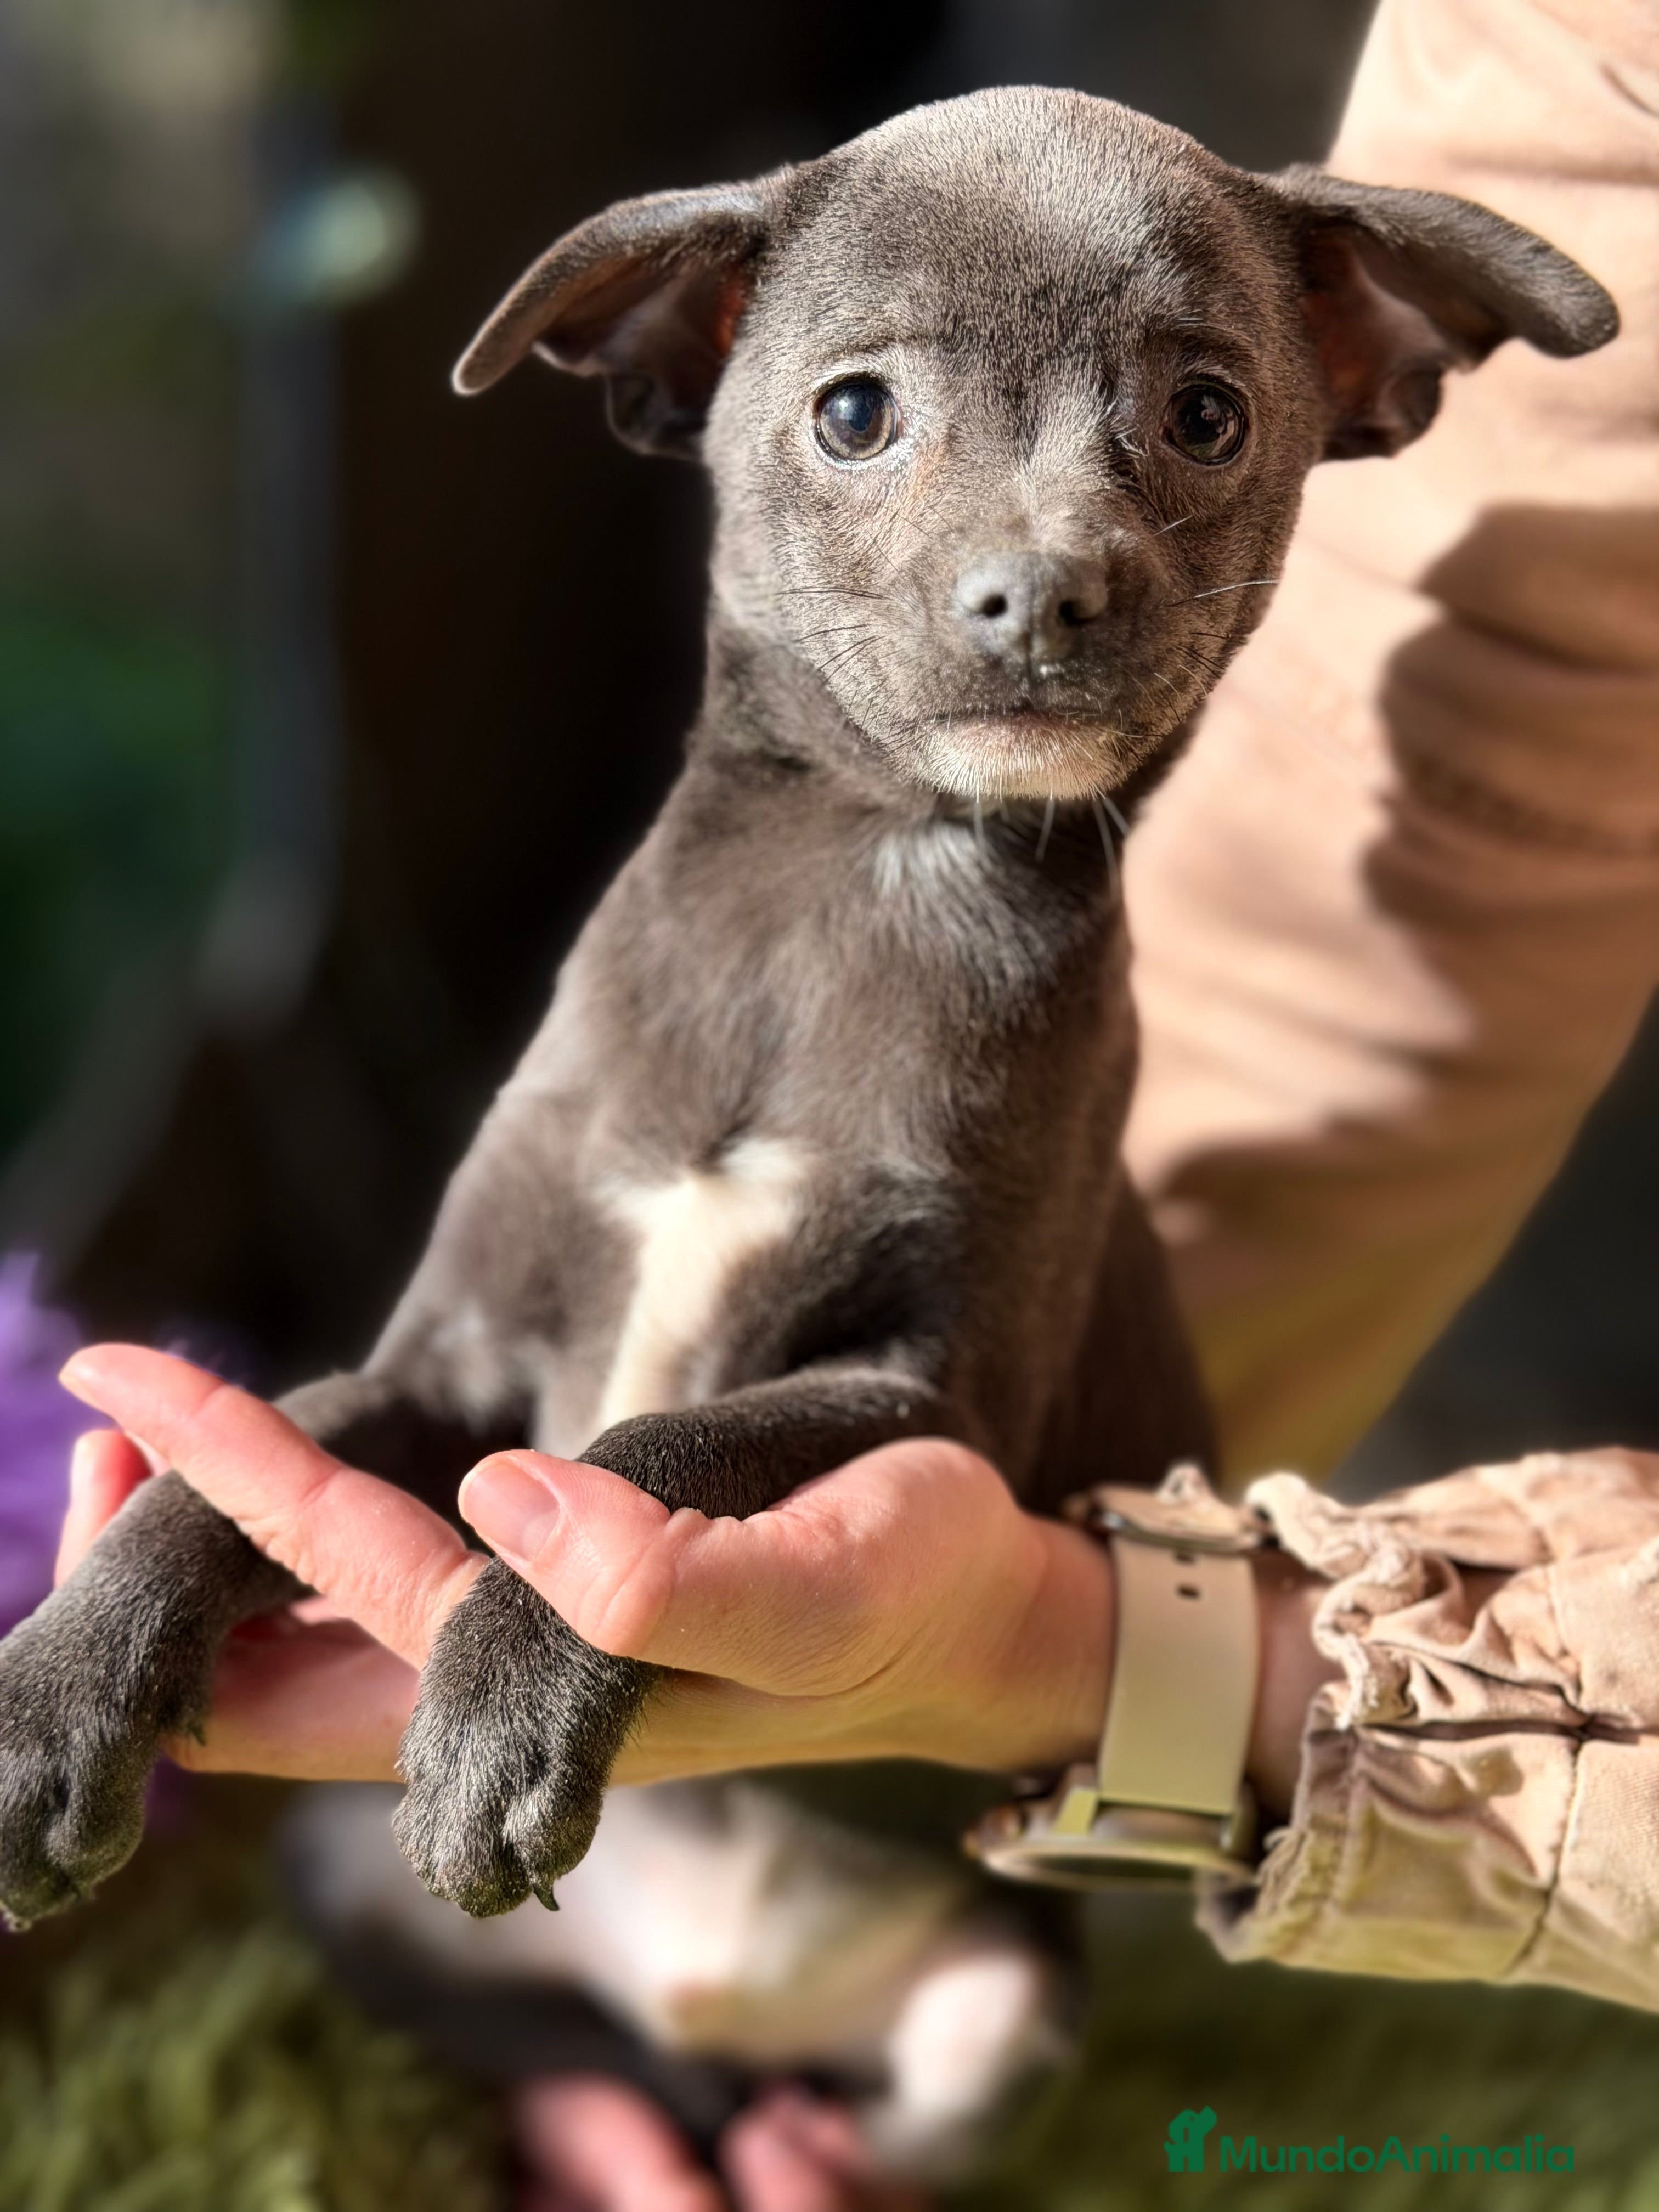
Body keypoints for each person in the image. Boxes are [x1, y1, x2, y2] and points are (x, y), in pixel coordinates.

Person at [45, 0, 1659, 2205]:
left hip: (919, 1915)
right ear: (678, 361)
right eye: (867, 410)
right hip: (578, 1853)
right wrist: (119, 1605)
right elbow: (432, 1388)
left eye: (1190, 417)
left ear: (1355, 371)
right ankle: (577, 2045)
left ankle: (781, 2104)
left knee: (987, 2046)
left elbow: (931, 1423)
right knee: (360, 1869)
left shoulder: (1037, 1022)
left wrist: (587, 1580)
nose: (1048, 547)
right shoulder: (646, 977)